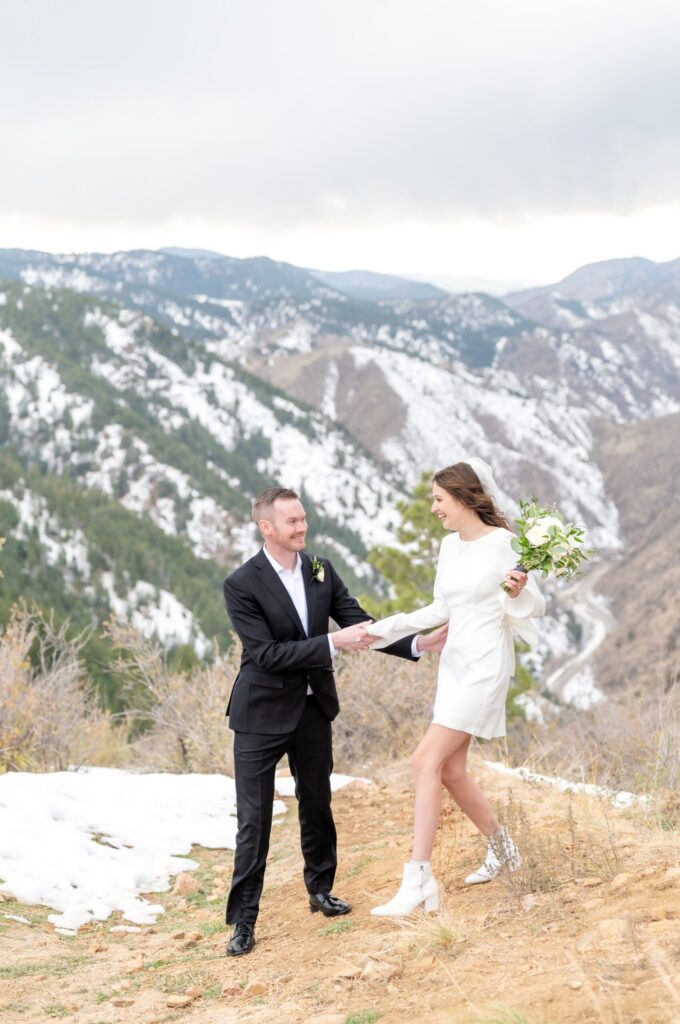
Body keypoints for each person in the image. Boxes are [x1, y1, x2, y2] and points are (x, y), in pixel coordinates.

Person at [222, 485, 447, 955]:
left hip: (312, 708)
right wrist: (331, 644)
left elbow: (360, 623)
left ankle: (320, 889)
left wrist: (416, 644)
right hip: (259, 714)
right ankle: (243, 921)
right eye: (292, 522)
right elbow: (264, 654)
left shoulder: (321, 569)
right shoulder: (241, 584)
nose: (302, 527)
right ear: (267, 527)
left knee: (318, 803)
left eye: (303, 518)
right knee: (254, 821)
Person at [363, 459, 545, 916]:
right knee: (450, 770)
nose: (434, 508)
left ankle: (418, 879)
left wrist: (519, 588)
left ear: (465, 498)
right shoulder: (449, 546)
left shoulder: (506, 544)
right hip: (455, 663)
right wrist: (378, 631)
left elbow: (534, 604)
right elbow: (439, 607)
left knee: (425, 758)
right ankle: (506, 851)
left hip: (486, 663)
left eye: (439, 499)